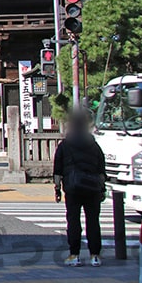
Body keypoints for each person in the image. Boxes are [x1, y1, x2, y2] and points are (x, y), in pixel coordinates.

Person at [53, 110, 106, 267]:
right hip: (92, 188)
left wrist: (57, 189)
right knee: (93, 222)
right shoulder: (94, 145)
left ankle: (74, 254)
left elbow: (58, 170)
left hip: (73, 187)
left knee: (74, 221)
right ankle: (95, 255)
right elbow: (101, 169)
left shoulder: (65, 145)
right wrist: (102, 189)